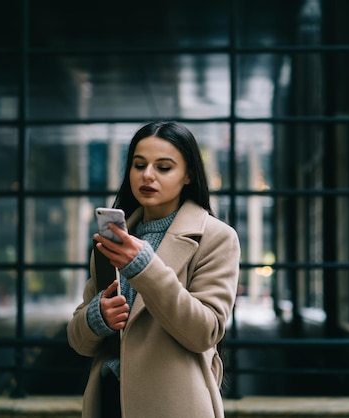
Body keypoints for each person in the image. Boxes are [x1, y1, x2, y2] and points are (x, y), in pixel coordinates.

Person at [67, 121, 240, 418]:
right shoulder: (112, 238)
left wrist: (144, 267)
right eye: (139, 164)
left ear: (188, 175)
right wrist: (99, 317)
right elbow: (78, 340)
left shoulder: (216, 237)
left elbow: (204, 331)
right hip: (109, 401)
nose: (147, 175)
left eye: (163, 167)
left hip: (174, 405)